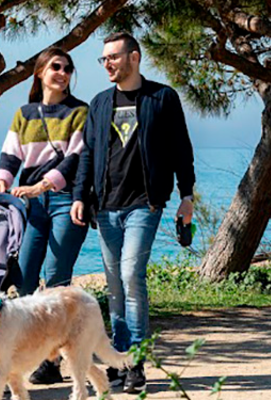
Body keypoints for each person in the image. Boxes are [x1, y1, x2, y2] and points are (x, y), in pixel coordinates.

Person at [71, 32, 195, 394]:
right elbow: (88, 155)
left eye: (113, 56)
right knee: (114, 286)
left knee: (130, 275)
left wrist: (186, 195)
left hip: (146, 203)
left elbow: (180, 149)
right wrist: (80, 196)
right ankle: (118, 360)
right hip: (106, 207)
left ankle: (136, 361)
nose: (107, 63)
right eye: (103, 59)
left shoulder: (162, 98)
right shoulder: (99, 103)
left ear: (134, 57)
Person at [0, 47, 92, 385]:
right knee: (25, 276)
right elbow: (10, 154)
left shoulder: (80, 112)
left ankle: (52, 362)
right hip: (30, 205)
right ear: (40, 73)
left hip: (64, 199)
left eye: (67, 68)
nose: (62, 73)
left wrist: (42, 186)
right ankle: (29, 351)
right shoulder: (25, 113)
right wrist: (2, 179)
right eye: (56, 67)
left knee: (57, 277)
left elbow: (76, 157)